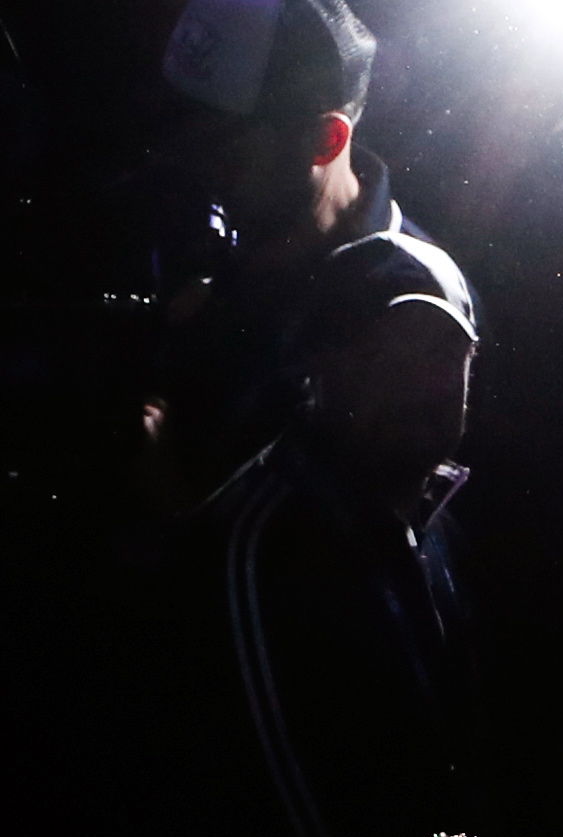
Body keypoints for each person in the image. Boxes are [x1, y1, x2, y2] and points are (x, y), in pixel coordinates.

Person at [190, 228, 485, 837]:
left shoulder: (434, 525)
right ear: (317, 371)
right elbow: (287, 817)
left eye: (442, 350)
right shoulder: (263, 544)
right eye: (384, 351)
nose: (420, 378)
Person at [146, 0, 455, 500]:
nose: (190, 163)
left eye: (220, 144)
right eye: (177, 130)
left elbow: (358, 565)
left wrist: (168, 500)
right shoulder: (226, 238)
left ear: (327, 139)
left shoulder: (409, 312)